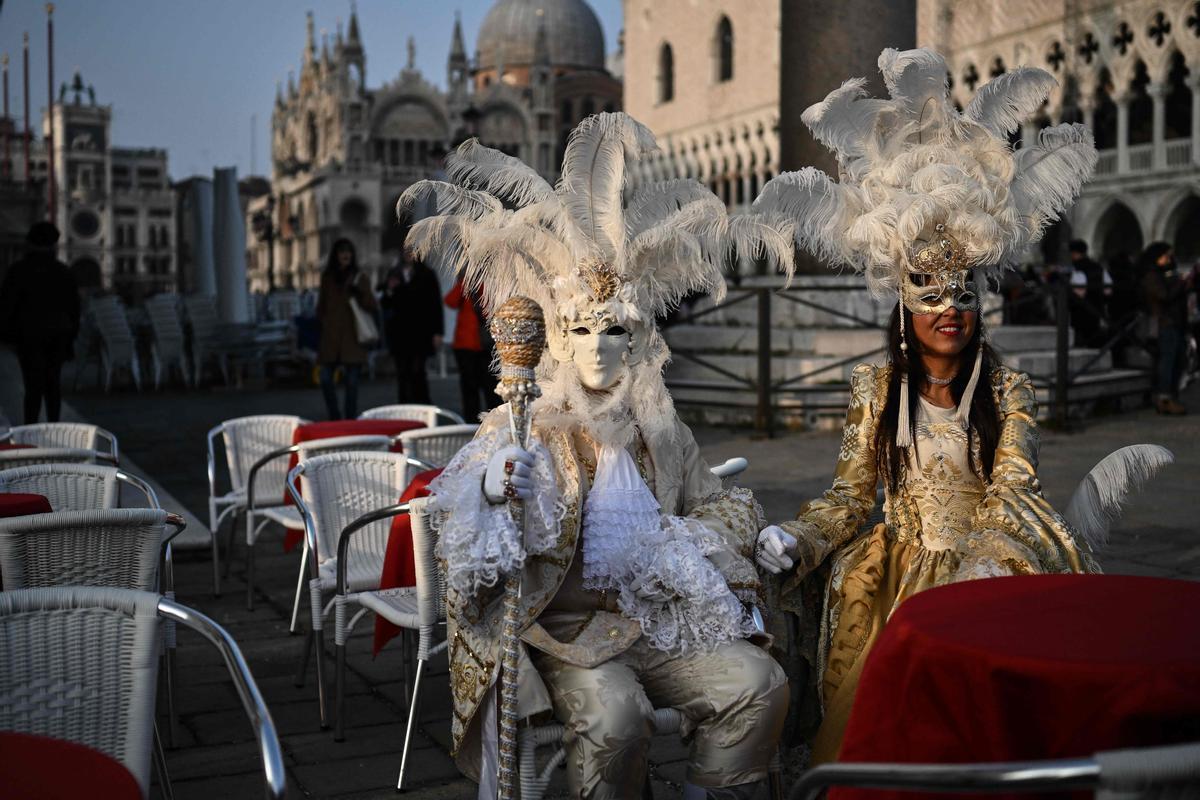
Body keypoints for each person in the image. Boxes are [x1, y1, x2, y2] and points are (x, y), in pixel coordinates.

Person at [400, 114, 790, 799]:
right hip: (570, 635)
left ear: (637, 340)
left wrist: (723, 536)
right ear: (560, 335)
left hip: (659, 621)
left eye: (615, 332)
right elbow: (457, 522)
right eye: (583, 329)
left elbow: (717, 501)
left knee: (761, 685)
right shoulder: (524, 425)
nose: (599, 348)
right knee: (616, 722)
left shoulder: (660, 429)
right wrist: (493, 489)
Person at [752, 48, 1103, 763]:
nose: (951, 308)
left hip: (990, 567)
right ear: (904, 302)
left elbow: (1015, 488)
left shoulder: (1007, 390)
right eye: (933, 293)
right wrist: (803, 537)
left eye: (965, 293)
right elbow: (851, 498)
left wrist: (985, 566)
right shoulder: (875, 389)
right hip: (896, 576)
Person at [0, 221, 80, 423]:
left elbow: (7, 305)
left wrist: (7, 336)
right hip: (58, 336)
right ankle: (54, 426)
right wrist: (70, 339)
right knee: (53, 385)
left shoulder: (18, 271)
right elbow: (74, 310)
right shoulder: (64, 272)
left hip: (28, 337)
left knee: (32, 387)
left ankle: (30, 431)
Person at [315, 238, 376, 419]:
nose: (345, 254)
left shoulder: (360, 277)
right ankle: (334, 416)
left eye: (348, 251)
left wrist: (359, 293)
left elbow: (372, 305)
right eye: (341, 251)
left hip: (353, 337)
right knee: (325, 378)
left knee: (352, 382)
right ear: (335, 255)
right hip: (331, 338)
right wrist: (324, 323)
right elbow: (321, 307)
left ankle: (350, 419)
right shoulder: (328, 278)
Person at [379, 253, 442, 404]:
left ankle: (422, 405)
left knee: (418, 371)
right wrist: (389, 289)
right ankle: (405, 406)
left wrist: (438, 332)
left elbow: (435, 305)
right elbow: (385, 303)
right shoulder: (394, 273)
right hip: (400, 332)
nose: (409, 253)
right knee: (402, 373)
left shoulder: (427, 273)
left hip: (421, 331)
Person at [1139, 242, 1192, 414]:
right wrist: (1180, 282)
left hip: (1175, 323)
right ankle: (1164, 398)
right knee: (1167, 362)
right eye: (1165, 256)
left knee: (1178, 361)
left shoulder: (1166, 274)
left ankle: (1172, 396)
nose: (1168, 260)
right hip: (1164, 324)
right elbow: (1164, 296)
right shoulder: (1151, 276)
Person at [444, 277, 499, 420]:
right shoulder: (469, 284)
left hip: (477, 343)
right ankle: (486, 419)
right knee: (481, 386)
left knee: (481, 386)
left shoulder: (486, 284)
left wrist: (463, 284)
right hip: (471, 344)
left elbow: (450, 301)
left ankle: (480, 419)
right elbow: (450, 301)